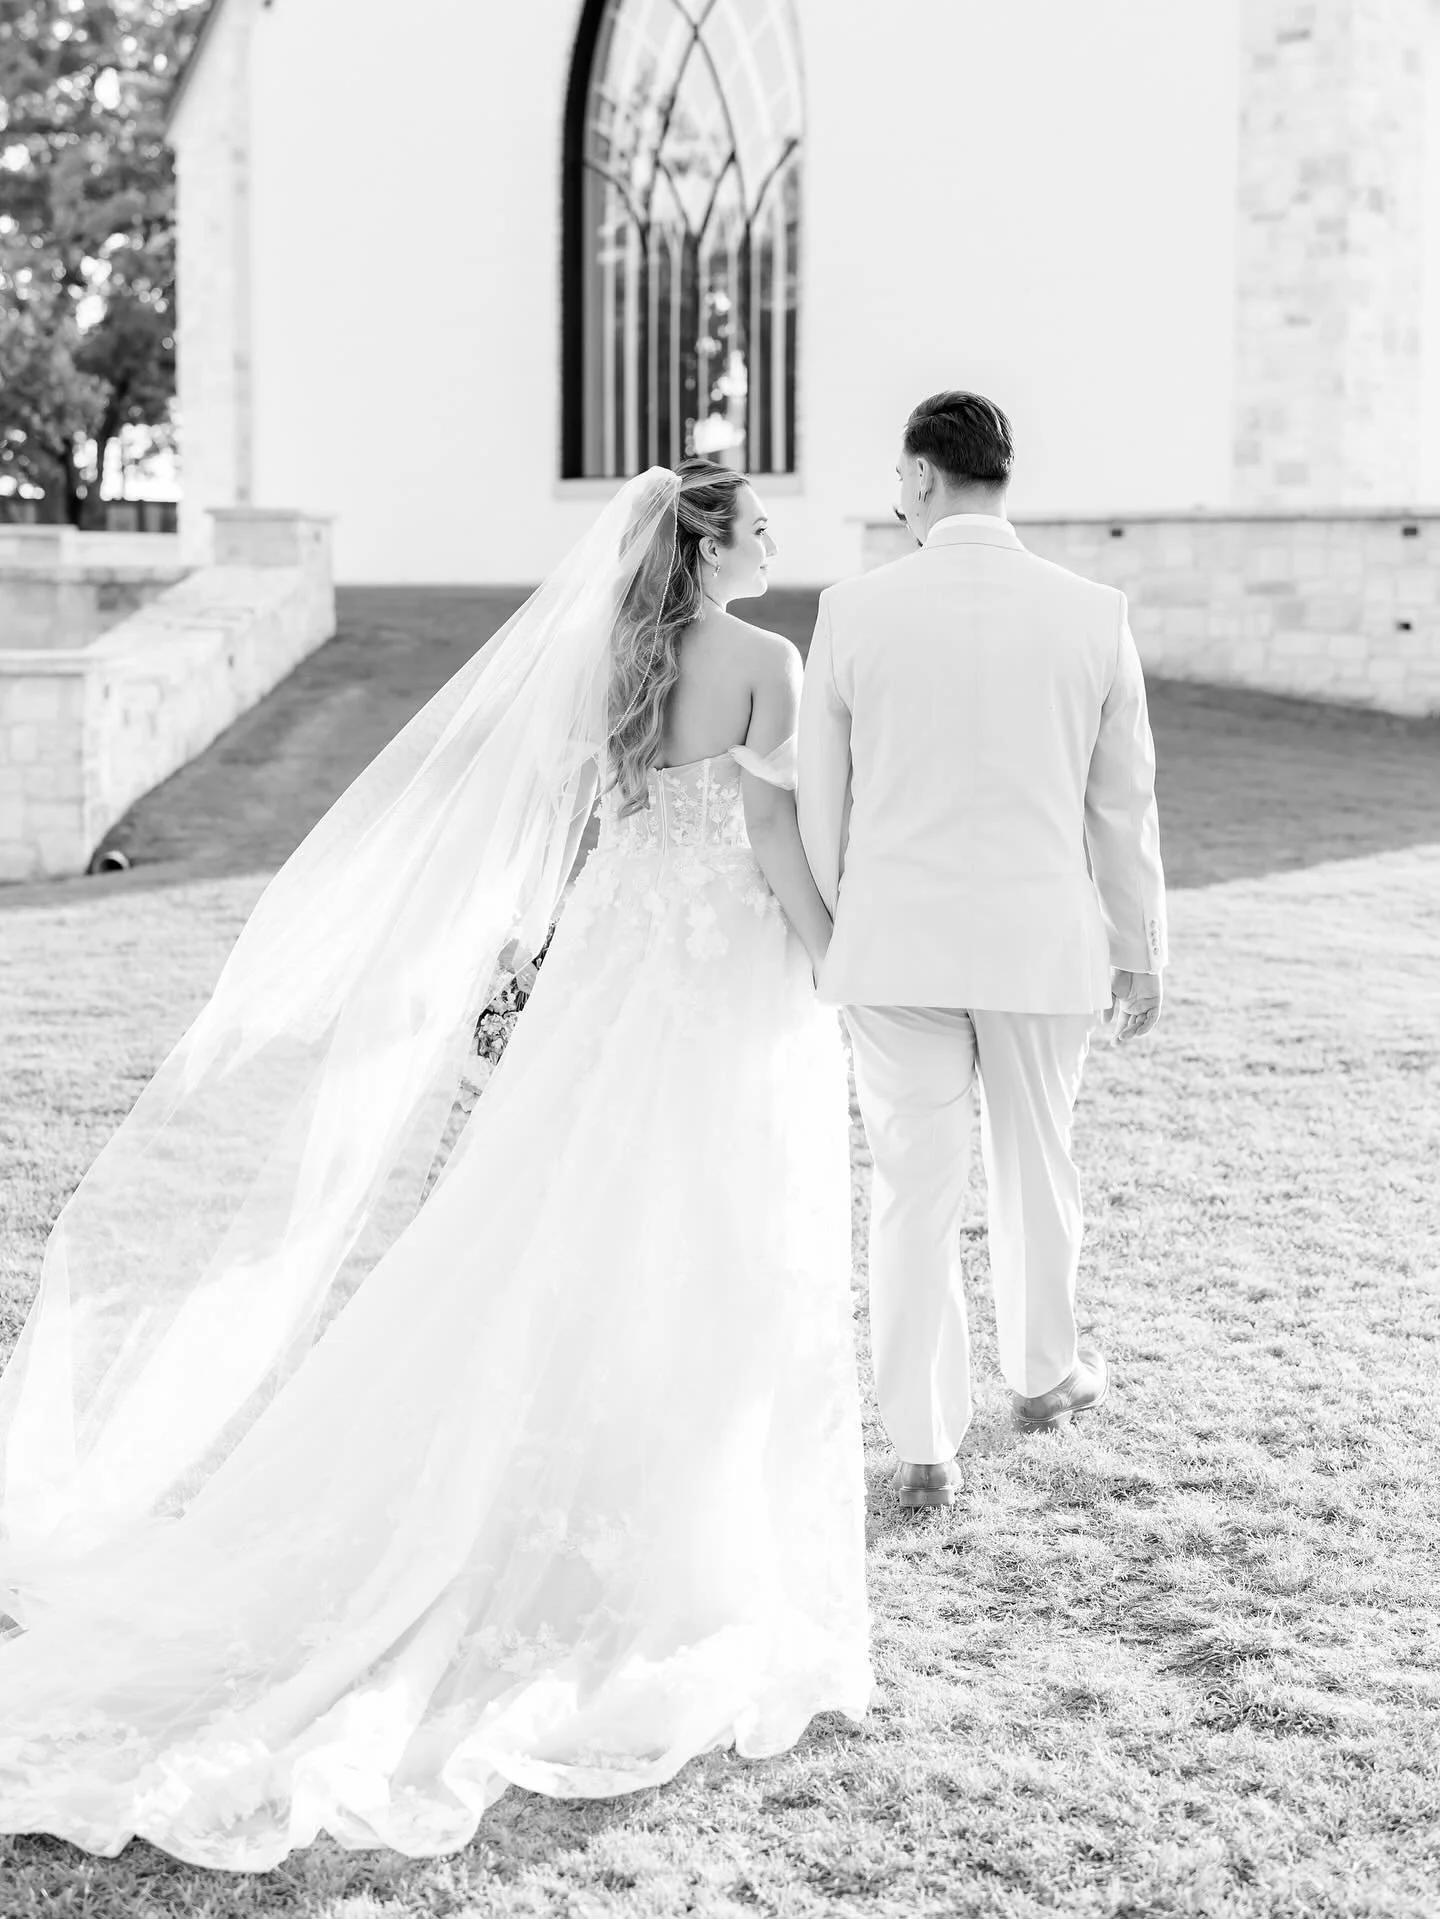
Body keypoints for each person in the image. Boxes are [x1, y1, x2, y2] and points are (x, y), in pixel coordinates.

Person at [0, 462, 872, 1870]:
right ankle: (669, 1517)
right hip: (720, 972)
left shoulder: (611, 659)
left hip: (617, 952)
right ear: (708, 543)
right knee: (709, 1217)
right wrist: (838, 953)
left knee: (567, 1207)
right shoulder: (768, 659)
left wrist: (548, 965)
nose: (778, 538)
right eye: (759, 524)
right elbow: (770, 830)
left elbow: (585, 834)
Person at [798, 391, 1168, 1511]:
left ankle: (924, 1444)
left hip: (893, 944)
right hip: (1040, 942)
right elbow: (1124, 803)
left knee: (912, 1185)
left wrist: (843, 928)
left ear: (921, 477)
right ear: (1001, 475)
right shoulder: (1093, 613)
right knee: (1036, 1161)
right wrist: (1140, 945)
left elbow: (821, 802)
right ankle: (1046, 1376)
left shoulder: (852, 611)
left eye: (898, 484)